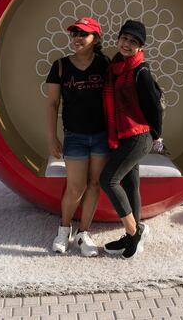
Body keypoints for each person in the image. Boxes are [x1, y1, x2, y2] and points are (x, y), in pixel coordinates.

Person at [45, 17, 110, 256]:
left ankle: (83, 233)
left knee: (94, 184)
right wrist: (52, 138)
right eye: (74, 34)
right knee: (75, 187)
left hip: (102, 136)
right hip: (75, 136)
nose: (77, 38)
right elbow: (52, 104)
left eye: (83, 34)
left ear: (96, 38)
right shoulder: (60, 66)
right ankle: (64, 230)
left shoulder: (105, 65)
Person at [100, 20, 163, 259]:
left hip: (138, 135)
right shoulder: (115, 67)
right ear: (118, 40)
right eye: (125, 39)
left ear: (139, 47)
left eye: (133, 42)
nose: (127, 44)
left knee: (108, 180)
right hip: (124, 135)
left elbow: (155, 107)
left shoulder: (140, 71)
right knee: (130, 184)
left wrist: (154, 135)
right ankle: (133, 234)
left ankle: (134, 232)